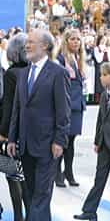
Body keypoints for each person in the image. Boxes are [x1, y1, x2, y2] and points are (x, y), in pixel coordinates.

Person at [7, 29, 71, 221]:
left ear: (44, 46)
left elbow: (64, 111)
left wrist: (59, 140)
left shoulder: (58, 72)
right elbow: (17, 109)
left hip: (48, 145)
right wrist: (12, 138)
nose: (27, 45)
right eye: (27, 42)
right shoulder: (24, 73)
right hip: (25, 146)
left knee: (41, 196)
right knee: (33, 194)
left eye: (32, 42)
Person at [74, 62, 110, 221]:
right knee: (99, 178)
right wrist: (96, 141)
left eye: (104, 75)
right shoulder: (104, 95)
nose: (101, 77)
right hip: (104, 144)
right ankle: (90, 211)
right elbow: (100, 120)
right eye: (101, 74)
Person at [0, 33, 30, 221]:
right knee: (23, 175)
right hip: (28, 131)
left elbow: (8, 106)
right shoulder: (32, 70)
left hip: (11, 131)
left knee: (12, 175)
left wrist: (3, 133)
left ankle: (18, 216)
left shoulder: (11, 73)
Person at [54, 29, 86, 187]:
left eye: (78, 40)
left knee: (72, 141)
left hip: (77, 105)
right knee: (62, 139)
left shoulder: (79, 58)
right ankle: (57, 172)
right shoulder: (60, 59)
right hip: (65, 106)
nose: (76, 42)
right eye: (73, 39)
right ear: (66, 41)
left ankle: (68, 171)